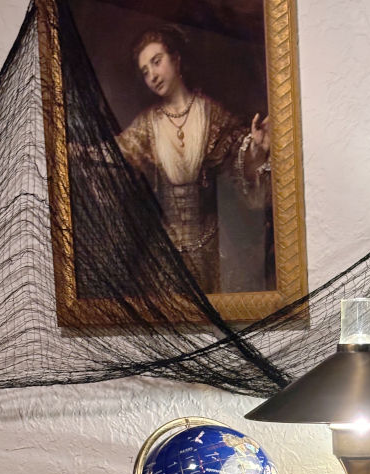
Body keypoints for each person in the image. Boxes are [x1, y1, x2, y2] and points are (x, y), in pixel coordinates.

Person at [116, 26, 272, 294]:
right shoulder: (147, 124)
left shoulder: (211, 113)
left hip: (213, 245)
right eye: (145, 72)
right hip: (166, 254)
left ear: (176, 60)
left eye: (156, 61)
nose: (152, 75)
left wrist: (255, 149)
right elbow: (116, 153)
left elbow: (237, 159)